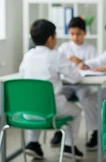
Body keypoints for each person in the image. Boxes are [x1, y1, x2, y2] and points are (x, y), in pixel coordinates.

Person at [19, 19, 84, 160]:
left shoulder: (27, 55)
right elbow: (76, 77)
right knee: (77, 111)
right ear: (50, 39)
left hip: (27, 111)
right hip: (51, 110)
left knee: (35, 104)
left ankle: (33, 143)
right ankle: (68, 146)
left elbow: (22, 75)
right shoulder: (55, 55)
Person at [50, 16, 99, 151]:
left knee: (86, 100)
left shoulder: (90, 49)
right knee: (59, 98)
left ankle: (95, 132)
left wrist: (80, 62)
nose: (75, 37)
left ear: (85, 33)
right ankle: (59, 130)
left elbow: (94, 66)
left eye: (79, 34)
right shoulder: (64, 47)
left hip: (83, 84)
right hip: (66, 84)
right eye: (72, 34)